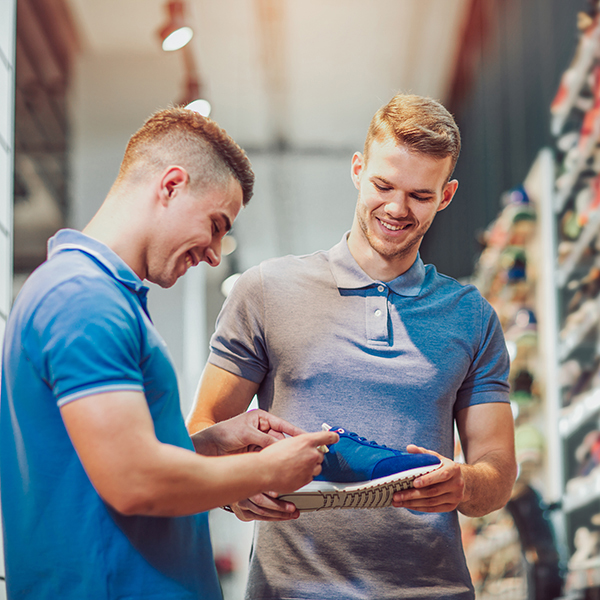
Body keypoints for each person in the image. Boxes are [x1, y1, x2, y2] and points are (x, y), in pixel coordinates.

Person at [187, 94, 518, 599]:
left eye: (420, 195)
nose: (397, 208)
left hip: (432, 589)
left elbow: (497, 468)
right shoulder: (265, 291)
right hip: (290, 589)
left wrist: (465, 485)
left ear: (446, 195)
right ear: (358, 170)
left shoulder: (471, 315)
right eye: (383, 185)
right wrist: (237, 488)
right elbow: (204, 429)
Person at [0, 107, 338, 600]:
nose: (216, 255)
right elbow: (135, 482)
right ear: (171, 185)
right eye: (216, 224)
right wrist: (271, 469)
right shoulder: (83, 299)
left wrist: (207, 443)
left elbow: (106, 463)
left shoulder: (101, 297)